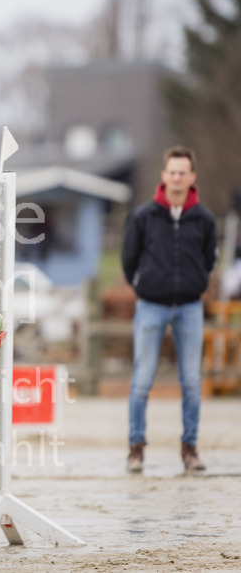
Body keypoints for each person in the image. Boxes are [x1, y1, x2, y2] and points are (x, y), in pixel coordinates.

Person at [121, 145, 217, 473]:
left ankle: (190, 448)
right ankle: (136, 447)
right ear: (164, 176)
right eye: (172, 172)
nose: (177, 177)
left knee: (191, 380)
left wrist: (196, 284)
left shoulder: (204, 219)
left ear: (192, 177)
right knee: (142, 379)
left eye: (182, 172)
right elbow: (128, 259)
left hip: (189, 307)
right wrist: (144, 286)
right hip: (151, 306)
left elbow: (209, 260)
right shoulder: (143, 216)